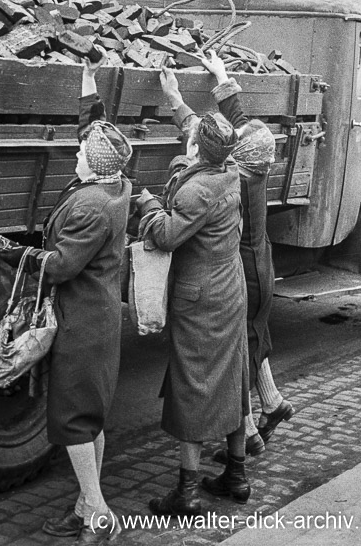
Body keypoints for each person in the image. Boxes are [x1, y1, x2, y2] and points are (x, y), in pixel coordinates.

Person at [0, 54, 132, 546]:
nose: (75, 156)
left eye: (81, 154)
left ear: (93, 166)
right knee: (89, 415)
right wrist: (90, 81)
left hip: (82, 325)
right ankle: (82, 505)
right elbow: (97, 135)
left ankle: (96, 510)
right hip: (97, 318)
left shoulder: (92, 206)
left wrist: (20, 254)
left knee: (72, 420)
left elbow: (64, 265)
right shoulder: (114, 183)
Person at [135, 77, 251, 514]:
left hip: (199, 300)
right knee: (232, 378)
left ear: (197, 152)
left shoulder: (195, 190)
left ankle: (185, 494)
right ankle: (236, 476)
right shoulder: (230, 170)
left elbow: (165, 236)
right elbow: (203, 135)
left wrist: (147, 203)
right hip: (230, 291)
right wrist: (177, 101)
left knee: (193, 387)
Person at [198, 51, 294, 463]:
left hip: (248, 275)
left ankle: (250, 430)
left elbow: (221, 145)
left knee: (240, 349)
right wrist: (221, 75)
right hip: (262, 269)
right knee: (254, 338)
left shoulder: (234, 180)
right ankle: (272, 405)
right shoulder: (257, 165)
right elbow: (241, 125)